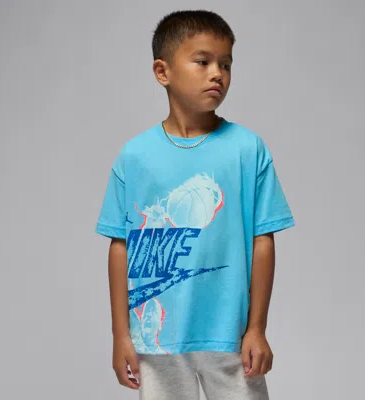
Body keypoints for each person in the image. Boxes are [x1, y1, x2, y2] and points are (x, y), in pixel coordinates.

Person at [95, 9, 295, 400]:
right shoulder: (135, 157)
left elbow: (263, 241)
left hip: (231, 335)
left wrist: (257, 328)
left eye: (226, 64)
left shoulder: (247, 149)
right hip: (158, 338)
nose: (217, 73)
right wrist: (121, 335)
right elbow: (120, 245)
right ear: (162, 71)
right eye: (203, 62)